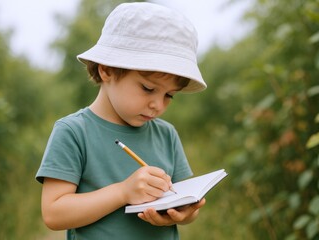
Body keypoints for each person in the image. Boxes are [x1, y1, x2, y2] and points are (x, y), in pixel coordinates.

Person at [36, 2, 207, 239]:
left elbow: (182, 199)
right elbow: (54, 214)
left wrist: (185, 214)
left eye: (169, 95)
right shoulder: (74, 132)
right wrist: (123, 192)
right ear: (107, 70)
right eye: (148, 88)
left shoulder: (166, 135)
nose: (158, 104)